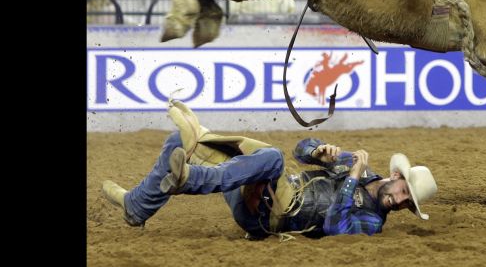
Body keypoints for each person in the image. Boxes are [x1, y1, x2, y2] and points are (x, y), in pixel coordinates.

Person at [101, 101, 438, 240]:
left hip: (271, 214)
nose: (400, 202)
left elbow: (336, 224)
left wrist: (350, 177)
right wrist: (317, 149)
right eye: (405, 193)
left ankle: (199, 147)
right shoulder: (359, 167)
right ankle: (137, 206)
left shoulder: (373, 222)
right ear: (397, 177)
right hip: (264, 185)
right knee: (177, 139)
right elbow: (301, 150)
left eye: (408, 204)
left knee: (272, 158)